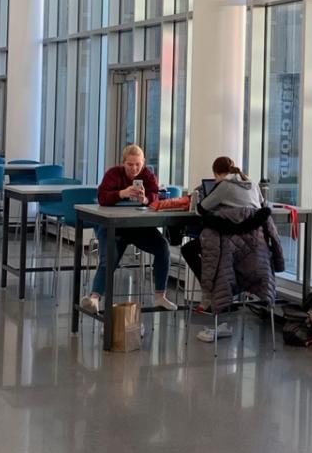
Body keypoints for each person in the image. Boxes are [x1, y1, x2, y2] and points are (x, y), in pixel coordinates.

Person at [189, 155, 284, 343]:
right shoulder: (253, 184)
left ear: (216, 174)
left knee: (189, 250)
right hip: (257, 254)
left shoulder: (223, 186)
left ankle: (210, 289)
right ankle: (223, 294)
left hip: (228, 253)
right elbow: (262, 208)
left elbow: (201, 209)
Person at [82, 144, 174, 314]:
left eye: (138, 164)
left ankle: (160, 295)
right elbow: (102, 198)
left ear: (143, 162)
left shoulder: (148, 175)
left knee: (163, 247)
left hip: (139, 227)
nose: (134, 168)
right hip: (113, 227)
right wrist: (122, 194)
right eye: (130, 164)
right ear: (123, 163)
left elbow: (156, 196)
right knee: (109, 258)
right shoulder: (113, 174)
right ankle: (94, 298)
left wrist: (146, 199)